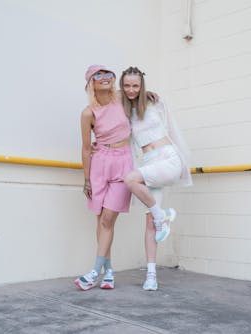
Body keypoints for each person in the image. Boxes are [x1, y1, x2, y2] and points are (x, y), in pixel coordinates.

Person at [121, 66, 192, 291]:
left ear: (142, 86)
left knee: (130, 180)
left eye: (135, 85)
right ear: (121, 87)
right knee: (150, 222)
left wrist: (183, 162)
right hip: (150, 163)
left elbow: (172, 128)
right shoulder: (124, 111)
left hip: (168, 158)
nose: (131, 89)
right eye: (127, 85)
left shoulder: (155, 102)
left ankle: (162, 216)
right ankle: (151, 275)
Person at [74, 64, 133, 291]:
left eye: (108, 73)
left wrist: (149, 94)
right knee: (100, 221)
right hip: (99, 163)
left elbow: (137, 94)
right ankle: (109, 271)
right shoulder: (88, 113)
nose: (105, 77)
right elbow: (86, 148)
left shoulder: (122, 99)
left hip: (123, 161)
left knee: (108, 219)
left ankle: (94, 271)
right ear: (91, 83)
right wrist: (87, 178)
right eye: (98, 75)